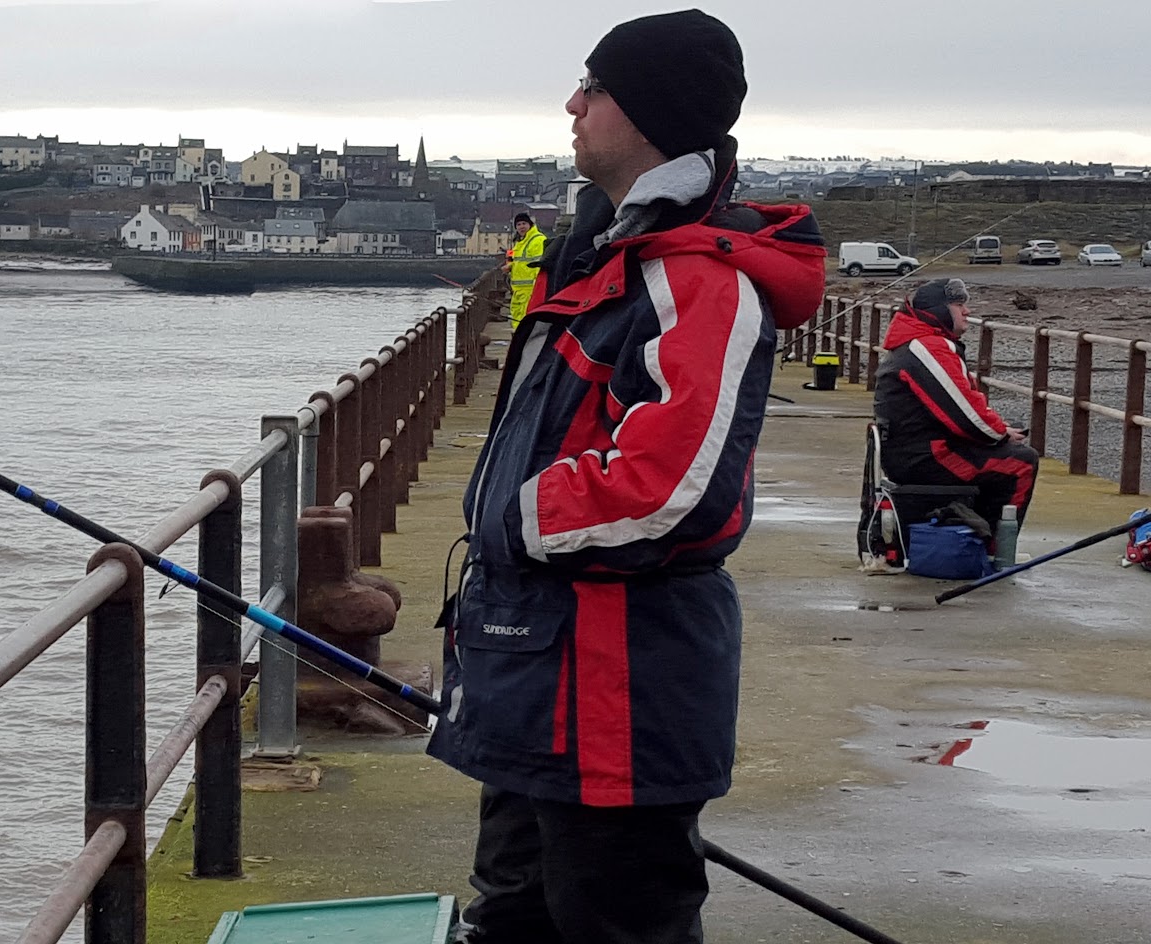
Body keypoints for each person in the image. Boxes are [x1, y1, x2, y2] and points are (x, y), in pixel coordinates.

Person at [426, 9, 827, 943]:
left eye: (592, 86)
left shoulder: (698, 279)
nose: (572, 103)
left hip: (615, 687)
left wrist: (509, 522)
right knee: (516, 912)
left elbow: (672, 489)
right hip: (538, 666)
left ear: (644, 111)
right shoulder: (611, 254)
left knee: (615, 917)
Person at [874, 278, 1040, 532]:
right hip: (926, 457)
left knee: (1002, 449)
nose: (967, 311)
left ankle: (975, 537)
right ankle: (995, 548)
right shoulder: (926, 346)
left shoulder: (917, 343)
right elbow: (966, 414)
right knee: (1022, 462)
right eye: (958, 305)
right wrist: (999, 433)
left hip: (914, 451)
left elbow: (961, 407)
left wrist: (997, 431)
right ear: (938, 310)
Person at [501, 212, 547, 330]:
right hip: (518, 289)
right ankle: (518, 339)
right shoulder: (520, 242)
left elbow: (539, 264)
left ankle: (522, 341)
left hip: (530, 289)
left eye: (524, 223)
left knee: (526, 317)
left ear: (530, 225)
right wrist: (509, 266)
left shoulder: (538, 240)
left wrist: (537, 285)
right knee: (517, 316)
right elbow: (513, 256)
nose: (521, 227)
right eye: (518, 224)